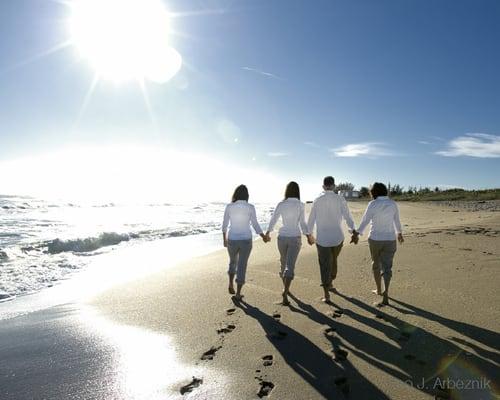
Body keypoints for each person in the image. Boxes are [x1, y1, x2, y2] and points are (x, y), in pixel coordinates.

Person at [351, 182, 404, 307]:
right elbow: (396, 220)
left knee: (376, 264)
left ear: (373, 192)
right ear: (385, 191)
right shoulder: (392, 203)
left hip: (375, 239)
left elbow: (365, 220)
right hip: (390, 239)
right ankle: (386, 294)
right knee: (387, 267)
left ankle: (379, 290)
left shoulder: (373, 204)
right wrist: (399, 233)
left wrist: (357, 233)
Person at [307, 176, 357, 303]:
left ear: (323, 186)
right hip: (337, 238)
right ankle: (331, 282)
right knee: (333, 260)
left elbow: (311, 219)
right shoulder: (340, 199)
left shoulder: (317, 200)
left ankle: (326, 294)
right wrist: (353, 231)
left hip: (323, 239)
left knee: (324, 265)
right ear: (334, 186)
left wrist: (309, 234)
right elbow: (348, 216)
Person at [265, 181, 313, 306]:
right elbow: (302, 223)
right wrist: (308, 235)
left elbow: (274, 219)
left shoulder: (281, 204)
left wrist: (268, 232)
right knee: (290, 266)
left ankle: (286, 289)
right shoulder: (300, 205)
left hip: (282, 237)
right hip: (295, 237)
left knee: (283, 262)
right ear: (297, 191)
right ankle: (285, 291)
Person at [222, 184, 268, 300]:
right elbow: (255, 224)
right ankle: (238, 293)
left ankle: (230, 284)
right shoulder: (250, 207)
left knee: (232, 262)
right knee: (242, 265)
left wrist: (224, 239)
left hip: (232, 239)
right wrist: (263, 236)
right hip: (246, 240)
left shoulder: (229, 206)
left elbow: (225, 224)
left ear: (235, 194)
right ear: (247, 195)